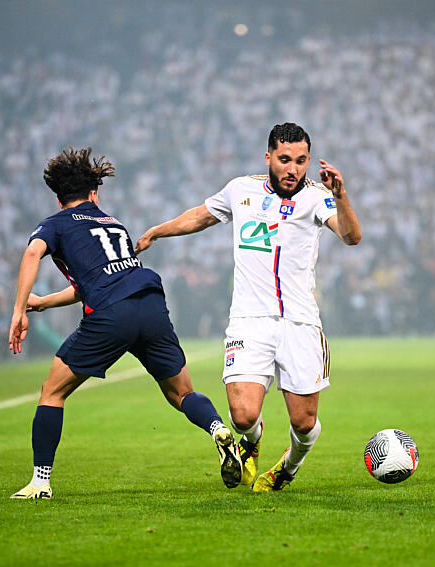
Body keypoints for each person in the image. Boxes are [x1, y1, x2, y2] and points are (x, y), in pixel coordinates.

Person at [136, 122, 361, 492]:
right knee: (242, 417)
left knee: (304, 423)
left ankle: (288, 468)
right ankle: (251, 443)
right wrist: (156, 231)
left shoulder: (319, 196)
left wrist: (342, 197)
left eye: (301, 161)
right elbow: (200, 215)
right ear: (269, 156)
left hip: (300, 321)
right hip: (248, 320)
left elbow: (352, 236)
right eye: (285, 159)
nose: (293, 169)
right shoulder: (241, 190)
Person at [7, 147, 242, 500]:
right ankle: (218, 428)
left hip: (111, 314)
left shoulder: (55, 225)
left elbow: (31, 254)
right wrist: (42, 304)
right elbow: (95, 282)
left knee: (52, 393)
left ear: (59, 201)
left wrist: (18, 310)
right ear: (93, 194)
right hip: (149, 303)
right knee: (182, 393)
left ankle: (41, 482)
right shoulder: (113, 223)